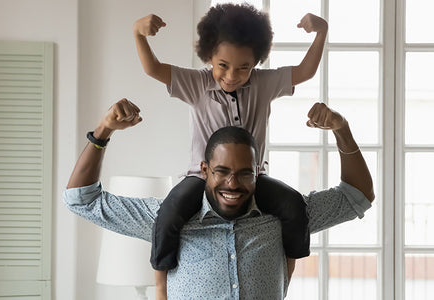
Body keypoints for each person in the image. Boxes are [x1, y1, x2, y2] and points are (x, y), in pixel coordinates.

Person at [64, 98, 374, 299]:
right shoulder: (167, 217)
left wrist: (341, 130)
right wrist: (103, 131)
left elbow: (357, 196)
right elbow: (82, 200)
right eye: (222, 171)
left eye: (244, 173)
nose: (232, 183)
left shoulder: (284, 216)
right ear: (204, 170)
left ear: (259, 172)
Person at [132, 2, 330, 283]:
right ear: (209, 55)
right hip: (202, 179)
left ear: (256, 62)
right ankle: (161, 286)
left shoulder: (263, 84)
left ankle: (284, 278)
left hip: (253, 177)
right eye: (223, 65)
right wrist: (138, 34)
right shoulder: (197, 84)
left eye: (244, 68)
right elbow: (153, 68)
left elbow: (304, 72)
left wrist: (321, 33)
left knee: (293, 205)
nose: (232, 76)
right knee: (169, 213)